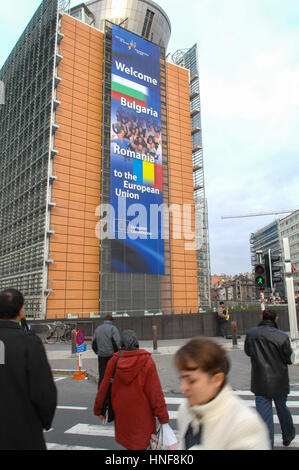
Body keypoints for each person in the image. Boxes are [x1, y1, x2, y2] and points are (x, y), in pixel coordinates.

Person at [175, 337, 270, 450]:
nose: (183, 387)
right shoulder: (185, 411)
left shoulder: (244, 424)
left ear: (217, 380)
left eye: (192, 381)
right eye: (181, 379)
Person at [0, 288, 57, 450]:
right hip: (23, 431)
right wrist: (44, 421)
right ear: (20, 311)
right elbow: (44, 392)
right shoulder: (29, 343)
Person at [94, 329, 169, 450]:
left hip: (123, 418)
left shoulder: (113, 361)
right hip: (143, 418)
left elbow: (104, 387)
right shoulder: (146, 361)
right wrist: (163, 417)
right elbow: (155, 393)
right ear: (137, 344)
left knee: (130, 445)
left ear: (121, 344)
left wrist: (99, 409)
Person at [244, 309, 295, 448]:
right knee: (282, 408)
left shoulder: (252, 334)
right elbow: (289, 359)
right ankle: (288, 434)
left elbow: (248, 352)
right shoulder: (282, 337)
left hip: (260, 380)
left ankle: (267, 445)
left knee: (264, 417)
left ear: (261, 317)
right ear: (276, 319)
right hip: (279, 379)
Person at [92, 314, 121, 388]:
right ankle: (110, 392)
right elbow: (117, 342)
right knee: (112, 375)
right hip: (111, 355)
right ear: (112, 321)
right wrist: (118, 353)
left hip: (101, 355)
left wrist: (97, 352)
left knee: (102, 375)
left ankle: (101, 391)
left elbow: (93, 343)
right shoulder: (113, 328)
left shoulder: (98, 329)